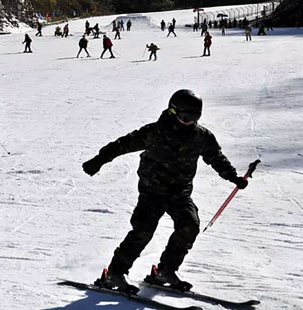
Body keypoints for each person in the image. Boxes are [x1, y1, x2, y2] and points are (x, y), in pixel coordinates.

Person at [82, 89, 248, 292]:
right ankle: (115, 274)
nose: (190, 121)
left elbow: (216, 157)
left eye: (195, 117)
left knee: (189, 226)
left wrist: (233, 177)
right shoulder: (155, 132)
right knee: (143, 230)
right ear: (173, 111)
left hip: (180, 192)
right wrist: (98, 160)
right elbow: (122, 145)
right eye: (186, 116)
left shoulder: (201, 136)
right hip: (153, 191)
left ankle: (165, 271)